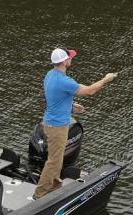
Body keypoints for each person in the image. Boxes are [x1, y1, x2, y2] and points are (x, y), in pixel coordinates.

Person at [34, 47, 117, 199]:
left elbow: (55, 96)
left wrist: (71, 106)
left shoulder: (50, 75)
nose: (71, 58)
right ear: (64, 61)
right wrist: (106, 79)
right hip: (57, 127)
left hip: (51, 123)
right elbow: (90, 90)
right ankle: (39, 195)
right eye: (69, 57)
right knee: (53, 162)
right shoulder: (65, 81)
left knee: (57, 159)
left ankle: (55, 186)